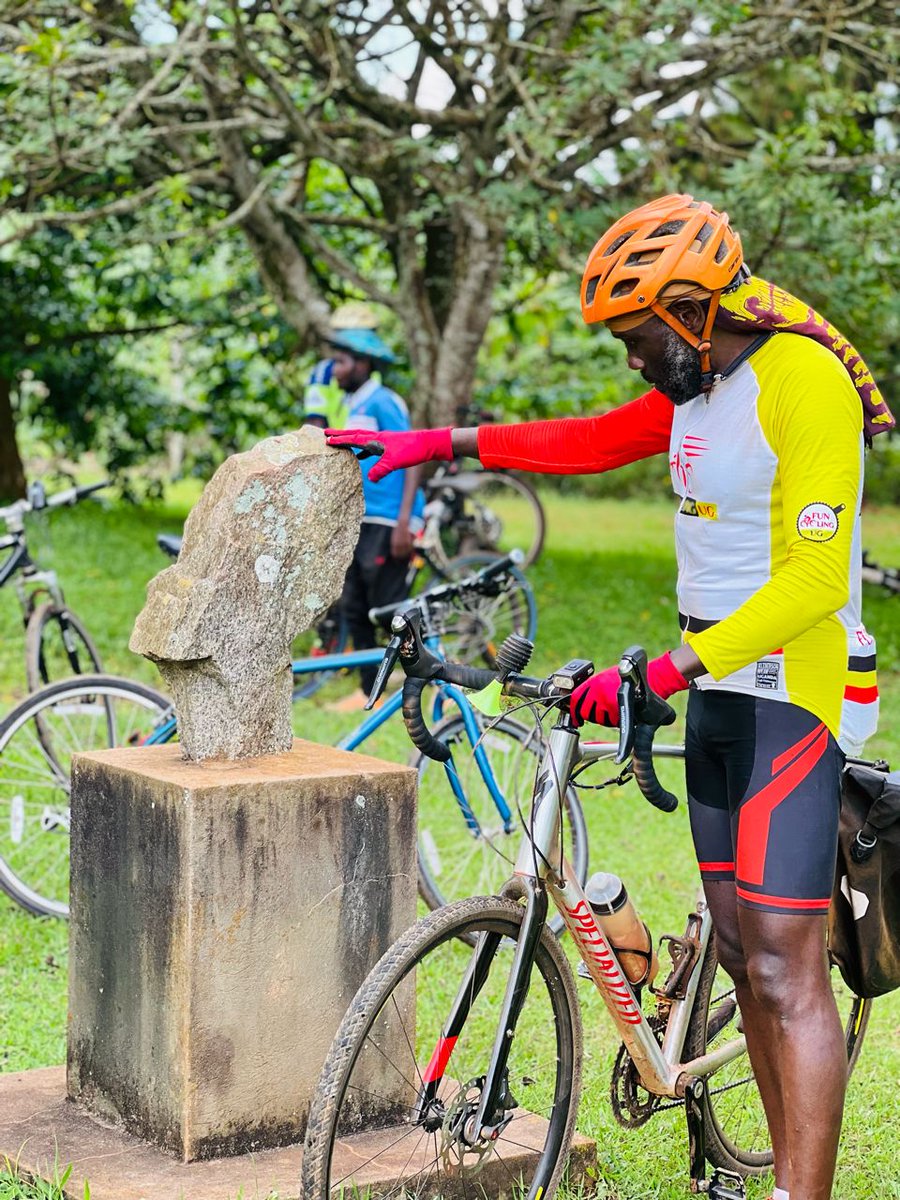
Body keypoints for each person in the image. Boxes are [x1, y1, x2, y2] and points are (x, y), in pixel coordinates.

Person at [326, 194, 895, 1200]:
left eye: (637, 334)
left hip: (793, 699)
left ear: (687, 309)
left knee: (780, 965)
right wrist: (439, 445)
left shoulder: (802, 381)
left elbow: (811, 582)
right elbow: (587, 442)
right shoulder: (701, 387)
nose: (631, 356)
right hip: (719, 694)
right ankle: (769, 1169)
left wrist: (664, 673)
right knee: (736, 943)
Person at [324, 326, 423, 711]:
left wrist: (405, 522)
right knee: (355, 607)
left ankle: (435, 680)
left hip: (389, 521)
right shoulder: (352, 406)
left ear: (364, 364)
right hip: (360, 519)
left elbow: (413, 454)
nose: (335, 369)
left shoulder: (384, 403)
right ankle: (369, 692)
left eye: (342, 361)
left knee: (390, 608)